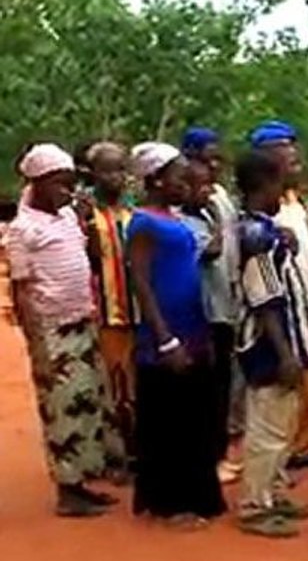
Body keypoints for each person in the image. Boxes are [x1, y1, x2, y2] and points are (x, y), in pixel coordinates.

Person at [5, 144, 123, 517]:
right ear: (36, 183)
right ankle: (68, 489)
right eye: (58, 184)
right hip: (52, 330)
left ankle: (85, 479)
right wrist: (36, 342)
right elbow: (22, 290)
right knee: (63, 409)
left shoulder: (69, 216)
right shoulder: (23, 230)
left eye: (70, 184)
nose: (66, 192)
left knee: (90, 403)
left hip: (82, 320)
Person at [127, 142, 226, 528]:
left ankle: (196, 495)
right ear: (155, 180)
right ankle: (170, 503)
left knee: (193, 414)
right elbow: (141, 282)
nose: (185, 184)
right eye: (178, 177)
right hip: (165, 331)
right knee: (170, 418)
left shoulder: (174, 218)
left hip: (192, 324)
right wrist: (164, 338)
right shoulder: (143, 223)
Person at [234, 150, 308, 538]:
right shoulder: (256, 236)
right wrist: (285, 354)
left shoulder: (261, 229)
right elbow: (265, 300)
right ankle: (255, 504)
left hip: (285, 337)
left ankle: (275, 491)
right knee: (268, 427)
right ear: (263, 186)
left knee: (282, 423)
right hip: (269, 343)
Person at [251, 120, 308, 467]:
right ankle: (285, 452)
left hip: (306, 303)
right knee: (285, 384)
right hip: (279, 308)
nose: (294, 159)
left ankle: (301, 445)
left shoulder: (293, 202)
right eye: (287, 154)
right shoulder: (262, 212)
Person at [182, 126, 247, 455]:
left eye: (217, 161)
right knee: (209, 381)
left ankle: (224, 443)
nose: (215, 167)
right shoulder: (182, 215)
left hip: (228, 298)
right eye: (208, 160)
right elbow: (211, 250)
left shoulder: (219, 196)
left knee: (227, 377)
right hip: (204, 308)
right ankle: (210, 449)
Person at [80, 141, 138, 477]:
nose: (116, 177)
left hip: (137, 314)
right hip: (106, 314)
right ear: (92, 174)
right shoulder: (86, 214)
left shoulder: (134, 212)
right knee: (112, 389)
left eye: (121, 169)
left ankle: (136, 451)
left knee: (135, 387)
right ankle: (115, 457)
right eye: (108, 170)